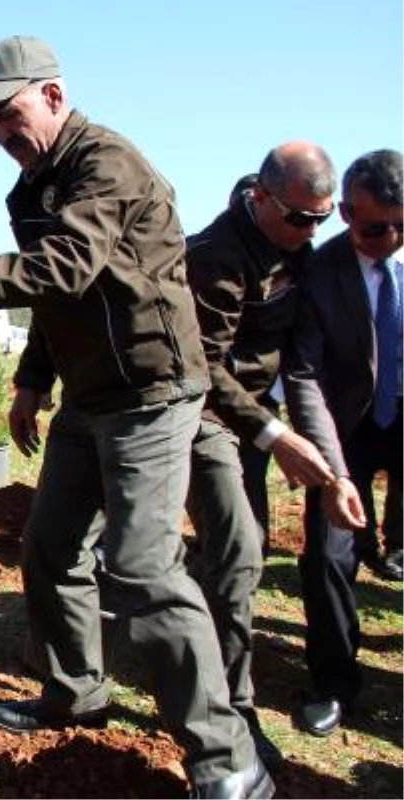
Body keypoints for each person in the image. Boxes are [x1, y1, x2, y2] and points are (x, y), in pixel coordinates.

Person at [0, 36, 270, 798]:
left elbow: (64, 267)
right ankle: (76, 690)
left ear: (53, 94)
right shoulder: (30, 190)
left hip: (152, 393)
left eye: (9, 112)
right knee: (49, 548)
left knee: (144, 568)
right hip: (88, 399)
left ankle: (228, 761)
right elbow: (56, 304)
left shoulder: (106, 164)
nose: (0, 132)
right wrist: (29, 382)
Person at [184, 143, 349, 770]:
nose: (311, 232)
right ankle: (233, 706)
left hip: (257, 417)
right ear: (261, 199)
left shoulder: (299, 248)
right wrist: (274, 436)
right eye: (301, 219)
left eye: (322, 219)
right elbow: (206, 368)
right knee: (240, 547)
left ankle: (196, 640)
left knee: (239, 552)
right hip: (206, 416)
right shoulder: (216, 258)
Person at [283, 149, 404, 738]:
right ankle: (334, 682)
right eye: (377, 228)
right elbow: (303, 376)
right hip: (346, 427)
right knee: (330, 554)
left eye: (403, 225)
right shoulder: (320, 271)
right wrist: (332, 473)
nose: (391, 239)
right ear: (347, 213)